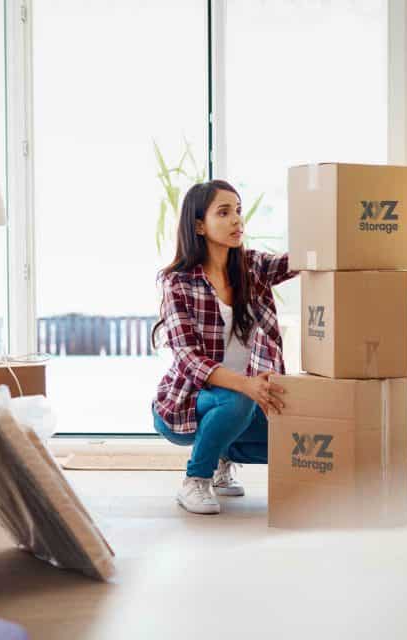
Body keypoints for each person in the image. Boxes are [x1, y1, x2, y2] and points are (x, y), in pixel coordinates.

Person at [151, 179, 299, 514]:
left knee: (295, 442)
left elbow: (302, 260)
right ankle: (196, 480)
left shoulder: (252, 268)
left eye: (238, 211)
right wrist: (247, 385)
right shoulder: (179, 282)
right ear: (199, 225)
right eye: (224, 212)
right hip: (188, 402)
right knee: (236, 399)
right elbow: (189, 359)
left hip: (247, 400)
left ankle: (222, 453)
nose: (237, 220)